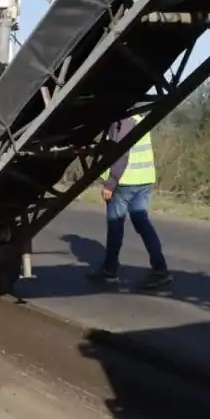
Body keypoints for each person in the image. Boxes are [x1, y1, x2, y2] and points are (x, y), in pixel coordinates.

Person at [88, 113, 172, 289]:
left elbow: (121, 153)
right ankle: (160, 269)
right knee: (143, 224)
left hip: (124, 183)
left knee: (115, 226)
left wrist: (110, 183)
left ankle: (110, 270)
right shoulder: (140, 117)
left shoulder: (123, 120)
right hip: (144, 180)